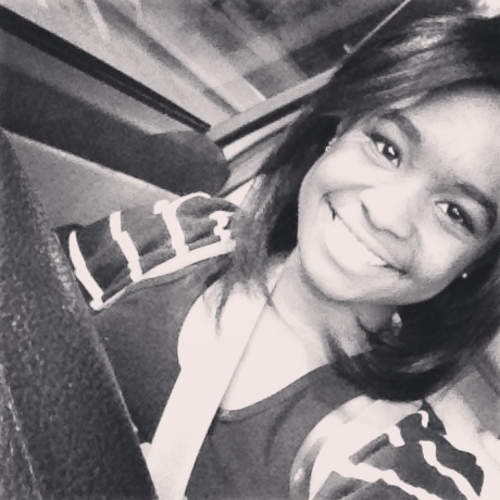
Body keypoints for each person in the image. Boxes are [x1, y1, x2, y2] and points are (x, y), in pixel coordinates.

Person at [61, 11, 500, 499]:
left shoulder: (401, 471)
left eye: (455, 213)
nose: (385, 215)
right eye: (386, 148)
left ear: (478, 265)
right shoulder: (176, 237)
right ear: (339, 128)